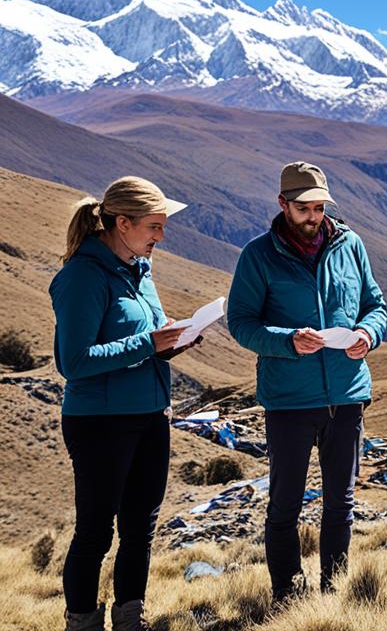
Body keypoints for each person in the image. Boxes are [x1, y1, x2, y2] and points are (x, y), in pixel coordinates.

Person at [227, 161, 387, 604]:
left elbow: (375, 304)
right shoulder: (258, 256)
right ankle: (287, 596)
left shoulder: (350, 245)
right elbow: (240, 322)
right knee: (284, 507)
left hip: (346, 394)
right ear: (283, 205)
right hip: (288, 400)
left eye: (319, 207)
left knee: (341, 503)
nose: (314, 216)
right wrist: (287, 341)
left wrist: (366, 334)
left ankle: (333, 591)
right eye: (304, 208)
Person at [50, 177, 197, 631]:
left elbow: (144, 340)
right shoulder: (81, 277)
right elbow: (73, 362)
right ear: (122, 223)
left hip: (151, 416)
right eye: (154, 227)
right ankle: (82, 622)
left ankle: (131, 619)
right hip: (100, 423)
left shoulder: (139, 270)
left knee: (140, 531)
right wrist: (148, 345)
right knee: (95, 533)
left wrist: (171, 342)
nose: (160, 236)